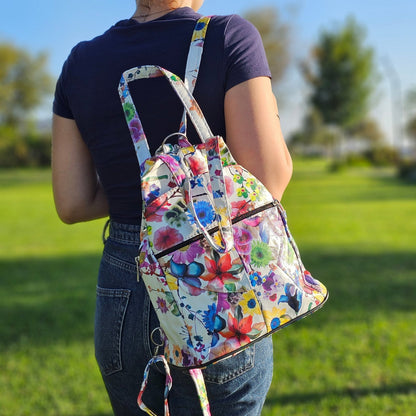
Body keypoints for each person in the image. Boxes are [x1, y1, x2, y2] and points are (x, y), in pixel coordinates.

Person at [52, 0, 293, 415]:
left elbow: (73, 202)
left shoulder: (81, 61)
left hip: (123, 287)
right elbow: (269, 176)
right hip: (217, 282)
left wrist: (154, 190)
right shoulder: (228, 36)